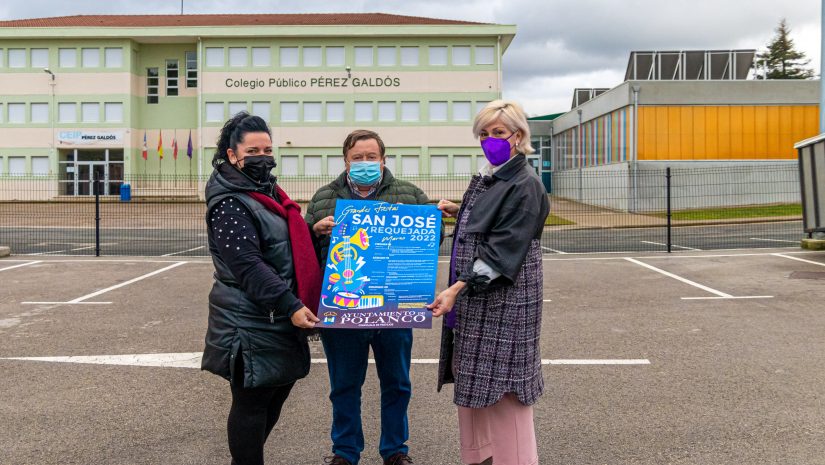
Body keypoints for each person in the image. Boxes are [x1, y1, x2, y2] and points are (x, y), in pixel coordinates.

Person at [428, 100, 550, 465]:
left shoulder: (524, 183)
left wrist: (454, 289)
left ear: (518, 136)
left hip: (504, 304)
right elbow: (489, 219)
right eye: (483, 133)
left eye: (498, 132)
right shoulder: (494, 174)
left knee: (505, 394)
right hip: (479, 306)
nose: (490, 139)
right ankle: (479, 457)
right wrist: (460, 210)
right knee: (477, 391)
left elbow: (502, 253)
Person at [201, 112, 321, 465]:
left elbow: (277, 245)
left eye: (268, 148)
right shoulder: (230, 201)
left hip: (275, 316)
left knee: (275, 396)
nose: (263, 156)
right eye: (253, 150)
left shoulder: (265, 192)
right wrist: (291, 305)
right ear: (232, 154)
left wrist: (311, 233)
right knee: (252, 405)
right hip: (250, 320)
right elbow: (247, 265)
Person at [304, 129, 430, 465]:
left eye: (370, 157)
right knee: (344, 386)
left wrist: (429, 224)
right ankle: (345, 452)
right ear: (345, 160)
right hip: (343, 311)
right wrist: (315, 232)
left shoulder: (410, 195)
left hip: (393, 310)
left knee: (398, 384)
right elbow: (305, 253)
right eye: (357, 158)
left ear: (383, 159)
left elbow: (429, 243)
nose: (364, 163)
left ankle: (395, 451)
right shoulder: (323, 198)